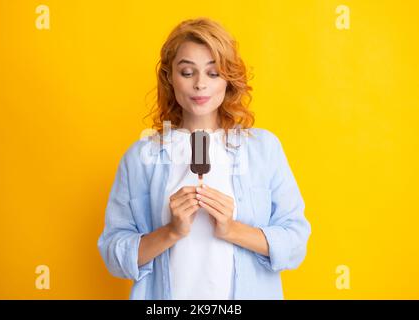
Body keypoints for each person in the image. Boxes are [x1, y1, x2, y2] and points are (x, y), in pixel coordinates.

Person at [97, 17, 311, 300]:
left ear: (228, 79)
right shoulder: (140, 158)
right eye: (187, 72)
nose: (200, 85)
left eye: (213, 73)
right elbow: (114, 254)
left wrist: (231, 229)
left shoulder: (263, 149)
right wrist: (172, 231)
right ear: (169, 78)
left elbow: (295, 243)